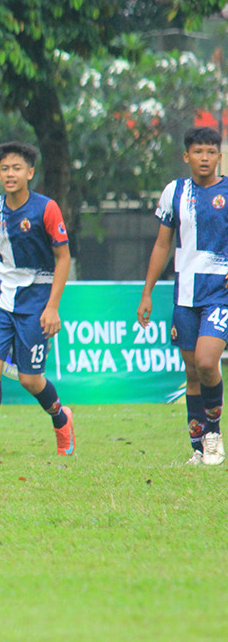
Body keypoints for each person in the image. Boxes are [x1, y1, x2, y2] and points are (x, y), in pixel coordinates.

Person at [0, 141, 75, 459]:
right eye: (5, 168)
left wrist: (52, 306)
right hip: (1, 295)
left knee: (30, 379)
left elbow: (63, 258)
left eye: (17, 168)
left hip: (37, 299)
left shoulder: (46, 208)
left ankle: (60, 418)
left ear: (30, 173)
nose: (10, 174)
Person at [137, 125, 228, 466]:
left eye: (210, 152)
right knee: (191, 373)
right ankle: (197, 449)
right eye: (198, 152)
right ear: (186, 156)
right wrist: (147, 292)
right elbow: (163, 244)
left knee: (207, 361)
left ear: (219, 156)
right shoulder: (175, 192)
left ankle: (214, 435)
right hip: (185, 295)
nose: (204, 158)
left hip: (220, 293)